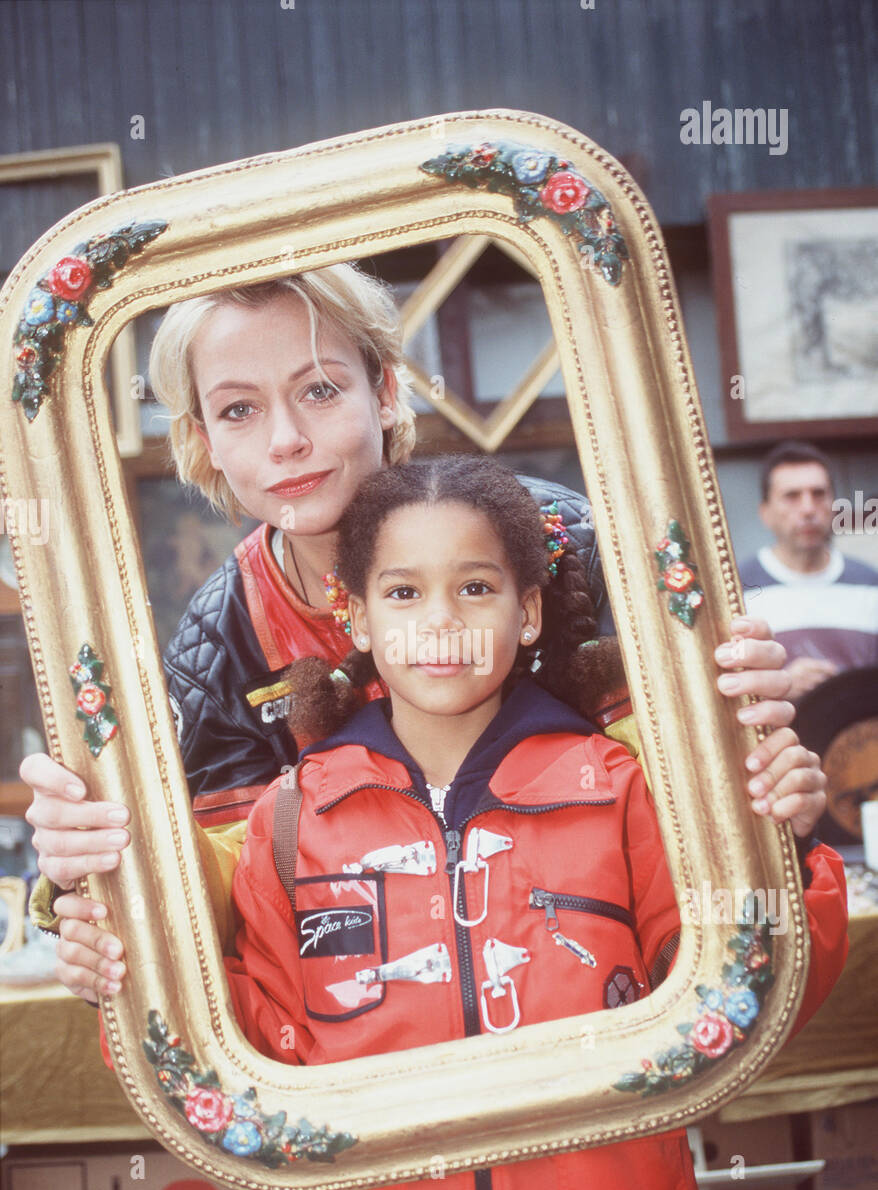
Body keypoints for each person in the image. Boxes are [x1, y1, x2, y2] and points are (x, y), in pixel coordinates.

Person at [64, 458, 847, 1190]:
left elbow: (740, 995)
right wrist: (124, 959)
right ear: (356, 617)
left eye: (475, 587)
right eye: (403, 594)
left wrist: (785, 854)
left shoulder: (617, 790)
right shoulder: (290, 820)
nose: (440, 622)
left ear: (529, 609)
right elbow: (242, 1046)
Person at [23, 269, 811, 1001]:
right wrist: (104, 874)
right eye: (239, 409)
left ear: (388, 391)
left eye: (321, 390)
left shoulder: (556, 540)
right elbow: (236, 918)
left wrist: (750, 760)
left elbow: (687, 807)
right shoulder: (217, 644)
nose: (286, 439)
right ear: (202, 441)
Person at [739, 441, 878, 702]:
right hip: (777, 740)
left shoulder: (870, 586)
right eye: (792, 496)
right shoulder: (738, 589)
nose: (808, 509)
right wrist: (780, 686)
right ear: (765, 513)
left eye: (818, 494)